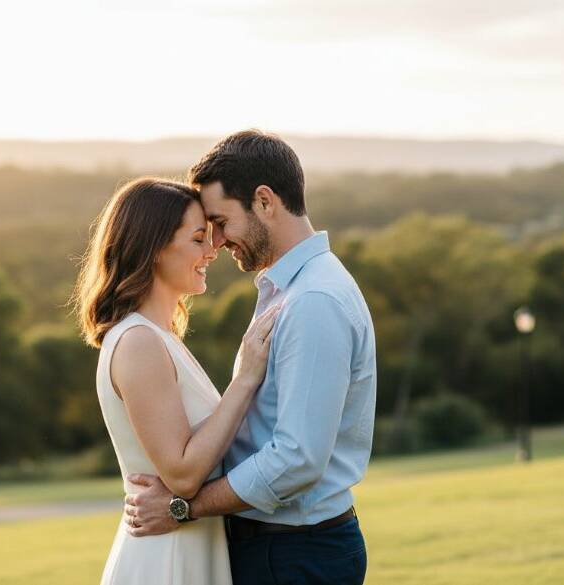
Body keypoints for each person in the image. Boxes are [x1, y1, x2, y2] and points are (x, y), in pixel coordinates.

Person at [124, 130, 377, 585]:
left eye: (220, 222)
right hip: (279, 548)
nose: (216, 242)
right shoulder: (288, 289)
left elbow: (297, 459)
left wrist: (185, 507)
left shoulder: (313, 300)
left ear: (264, 201)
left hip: (294, 554)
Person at [74, 176, 281, 584]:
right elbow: (182, 474)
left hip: (188, 546)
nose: (212, 250)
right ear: (153, 249)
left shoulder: (160, 338)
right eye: (198, 239)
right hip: (165, 558)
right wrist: (245, 379)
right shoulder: (138, 343)